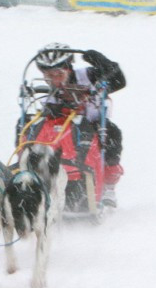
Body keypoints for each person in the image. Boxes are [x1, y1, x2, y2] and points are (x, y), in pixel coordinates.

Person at [33, 43, 125, 207]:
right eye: (49, 77)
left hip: (93, 123)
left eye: (58, 75)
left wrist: (100, 61)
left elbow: (119, 81)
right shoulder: (52, 93)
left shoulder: (88, 76)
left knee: (113, 134)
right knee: (31, 130)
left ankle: (109, 187)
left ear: (68, 68)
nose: (54, 81)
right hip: (63, 127)